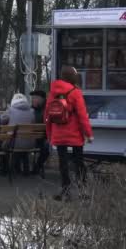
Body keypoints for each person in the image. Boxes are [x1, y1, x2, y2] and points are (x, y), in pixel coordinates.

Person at [46, 66, 93, 201]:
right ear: (73, 77)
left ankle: (65, 191)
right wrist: (88, 133)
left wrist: (49, 134)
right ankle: (83, 190)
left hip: (58, 133)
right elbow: (82, 116)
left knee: (63, 163)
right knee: (79, 162)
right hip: (75, 134)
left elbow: (47, 116)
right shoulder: (75, 92)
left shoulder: (53, 92)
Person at [0, 93, 35, 175]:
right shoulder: (31, 111)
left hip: (14, 144)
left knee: (3, 145)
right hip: (30, 144)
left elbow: (0, 120)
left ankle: (4, 170)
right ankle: (25, 170)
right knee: (22, 140)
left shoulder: (10, 110)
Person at [30, 90, 49, 174]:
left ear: (42, 99)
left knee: (46, 149)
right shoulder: (31, 110)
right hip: (30, 139)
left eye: (35, 98)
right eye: (32, 98)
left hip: (42, 140)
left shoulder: (47, 110)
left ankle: (37, 167)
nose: (33, 100)